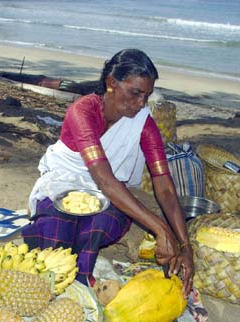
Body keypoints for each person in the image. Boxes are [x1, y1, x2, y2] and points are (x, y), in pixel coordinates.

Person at [21, 49, 194, 296]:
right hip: (64, 184)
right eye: (135, 93)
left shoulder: (143, 123)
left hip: (111, 194)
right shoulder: (83, 111)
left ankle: (82, 284)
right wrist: (160, 228)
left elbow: (164, 185)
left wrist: (185, 246)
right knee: (57, 229)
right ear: (112, 83)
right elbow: (103, 178)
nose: (141, 103)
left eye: (146, 96)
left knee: (97, 227)